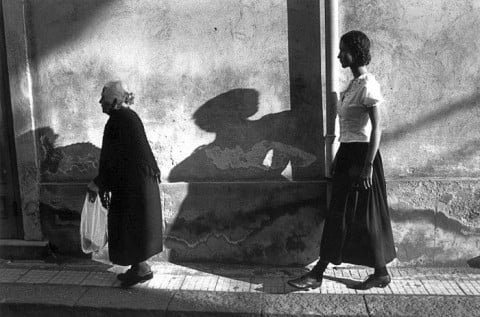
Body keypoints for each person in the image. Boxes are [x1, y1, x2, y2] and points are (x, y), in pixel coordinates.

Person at [288, 30, 396, 290]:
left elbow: (377, 128)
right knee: (349, 215)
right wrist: (339, 157)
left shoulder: (368, 85)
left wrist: (368, 166)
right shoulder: (354, 85)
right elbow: (348, 128)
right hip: (348, 154)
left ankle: (318, 273)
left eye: (343, 50)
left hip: (362, 157)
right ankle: (380, 272)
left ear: (356, 53)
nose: (339, 55)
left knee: (348, 215)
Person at [87, 81, 163, 287]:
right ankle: (140, 267)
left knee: (130, 225)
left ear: (113, 100)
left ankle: (141, 269)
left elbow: (113, 158)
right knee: (135, 225)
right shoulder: (127, 117)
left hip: (133, 184)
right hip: (137, 182)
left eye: (103, 97)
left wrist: (99, 182)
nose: (100, 102)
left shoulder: (118, 121)